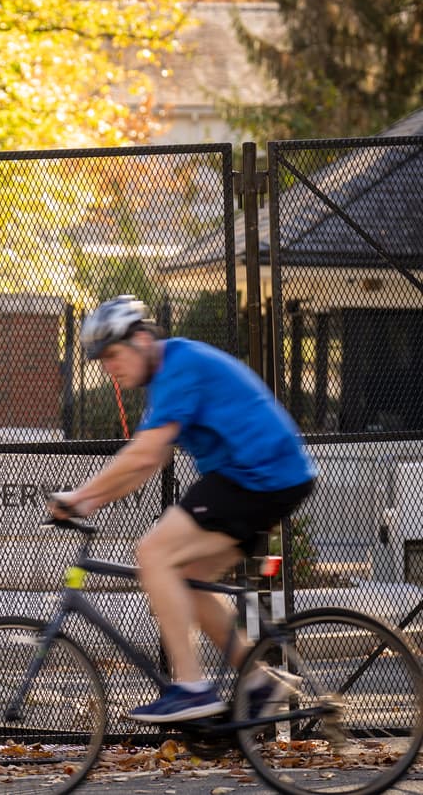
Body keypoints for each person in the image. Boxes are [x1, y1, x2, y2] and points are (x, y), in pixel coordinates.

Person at [49, 295, 317, 723]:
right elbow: (150, 462)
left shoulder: (180, 365)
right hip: (265, 478)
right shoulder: (167, 376)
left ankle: (191, 688)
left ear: (141, 340)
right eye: (102, 361)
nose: (109, 368)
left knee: (153, 553)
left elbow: (144, 453)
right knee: (189, 579)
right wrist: (89, 502)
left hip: (256, 475)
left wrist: (79, 496)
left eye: (113, 355)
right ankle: (259, 682)